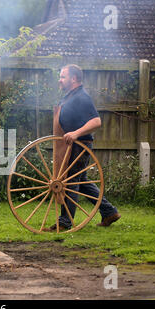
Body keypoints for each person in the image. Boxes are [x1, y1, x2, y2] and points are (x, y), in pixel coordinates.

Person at [44, 64, 121, 231]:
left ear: (73, 78)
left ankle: (65, 222)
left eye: (63, 76)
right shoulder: (69, 96)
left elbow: (96, 121)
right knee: (82, 180)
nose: (60, 79)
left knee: (70, 181)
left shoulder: (82, 97)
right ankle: (109, 211)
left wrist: (76, 133)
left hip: (79, 145)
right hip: (70, 145)